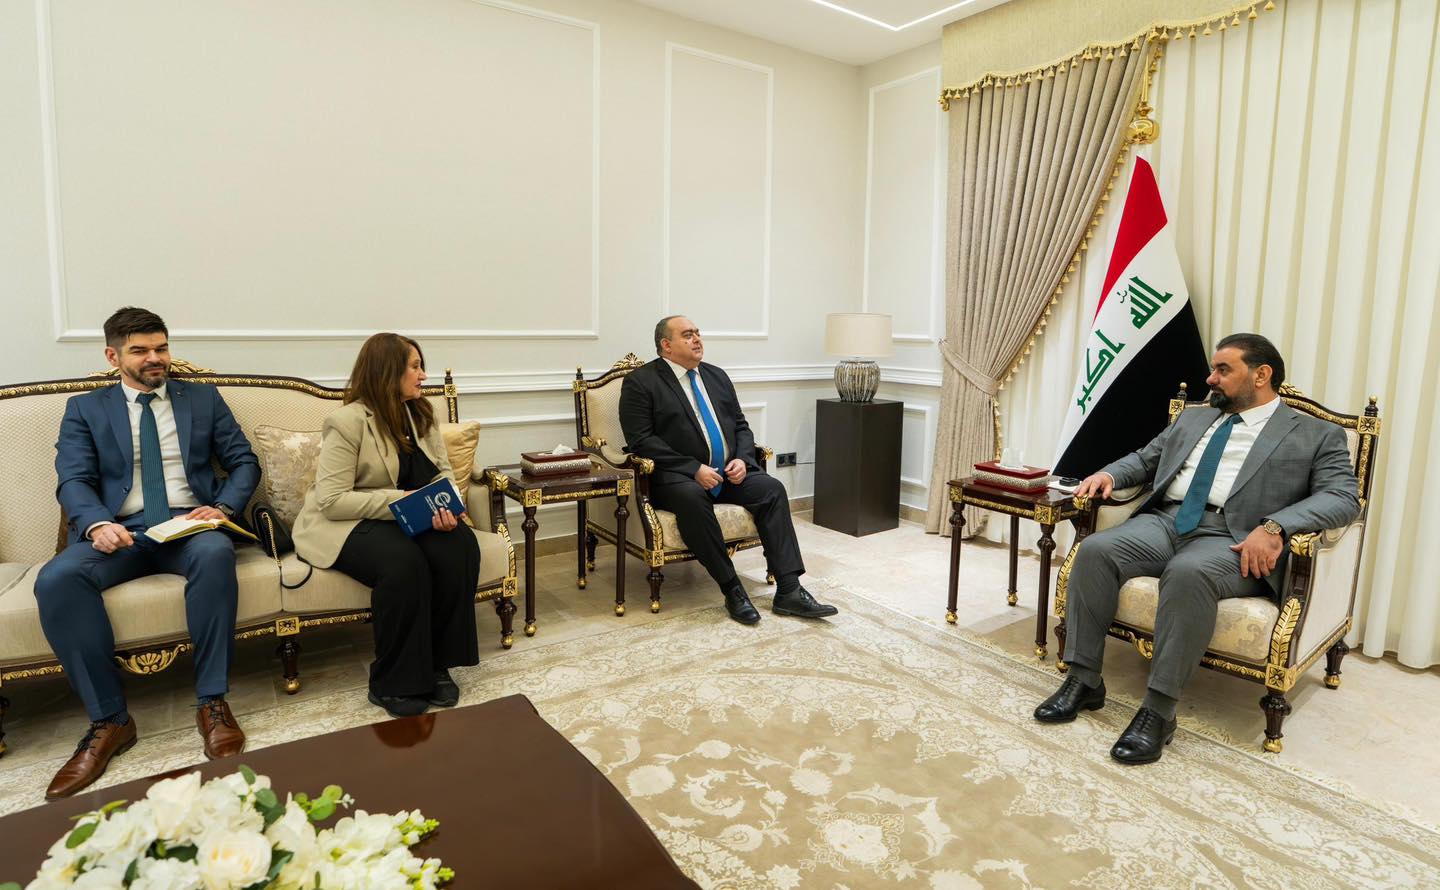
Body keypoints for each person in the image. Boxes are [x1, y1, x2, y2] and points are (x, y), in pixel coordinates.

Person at [1035, 333, 1359, 764]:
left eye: (1223, 369)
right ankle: (1083, 680)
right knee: (1096, 551)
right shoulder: (1194, 418)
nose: (1211, 378)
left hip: (1233, 535)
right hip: (1166, 521)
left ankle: (1158, 710)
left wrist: (1277, 525)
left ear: (1261, 375)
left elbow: (1343, 498)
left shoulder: (1317, 434)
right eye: (1213, 369)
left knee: (1189, 574)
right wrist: (1108, 475)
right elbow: (1145, 459)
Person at [34, 307, 261, 799]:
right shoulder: (85, 409)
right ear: (113, 356)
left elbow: (244, 461)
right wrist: (97, 523)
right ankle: (109, 721)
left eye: (161, 347)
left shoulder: (202, 398)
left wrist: (222, 508)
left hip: (188, 524)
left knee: (215, 554)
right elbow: (73, 478)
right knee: (56, 579)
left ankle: (212, 702)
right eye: (140, 350)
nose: (155, 358)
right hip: (123, 530)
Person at [293, 333, 479, 719]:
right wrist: (405, 502)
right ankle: (392, 681)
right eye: (415, 367)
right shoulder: (346, 422)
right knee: (403, 562)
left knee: (459, 545)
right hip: (347, 522)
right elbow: (332, 500)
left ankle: (437, 664)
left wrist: (445, 505)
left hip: (406, 515)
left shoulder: (422, 414)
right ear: (387, 371)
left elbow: (442, 472)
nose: (423, 375)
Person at [618, 315, 837, 625]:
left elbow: (740, 425)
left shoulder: (716, 376)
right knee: (693, 498)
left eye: (697, 333)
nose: (697, 339)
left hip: (728, 473)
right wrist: (694, 468)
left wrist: (743, 459)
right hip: (677, 478)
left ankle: (789, 590)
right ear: (666, 345)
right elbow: (641, 440)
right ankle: (732, 589)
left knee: (772, 489)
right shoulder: (641, 382)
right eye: (687, 335)